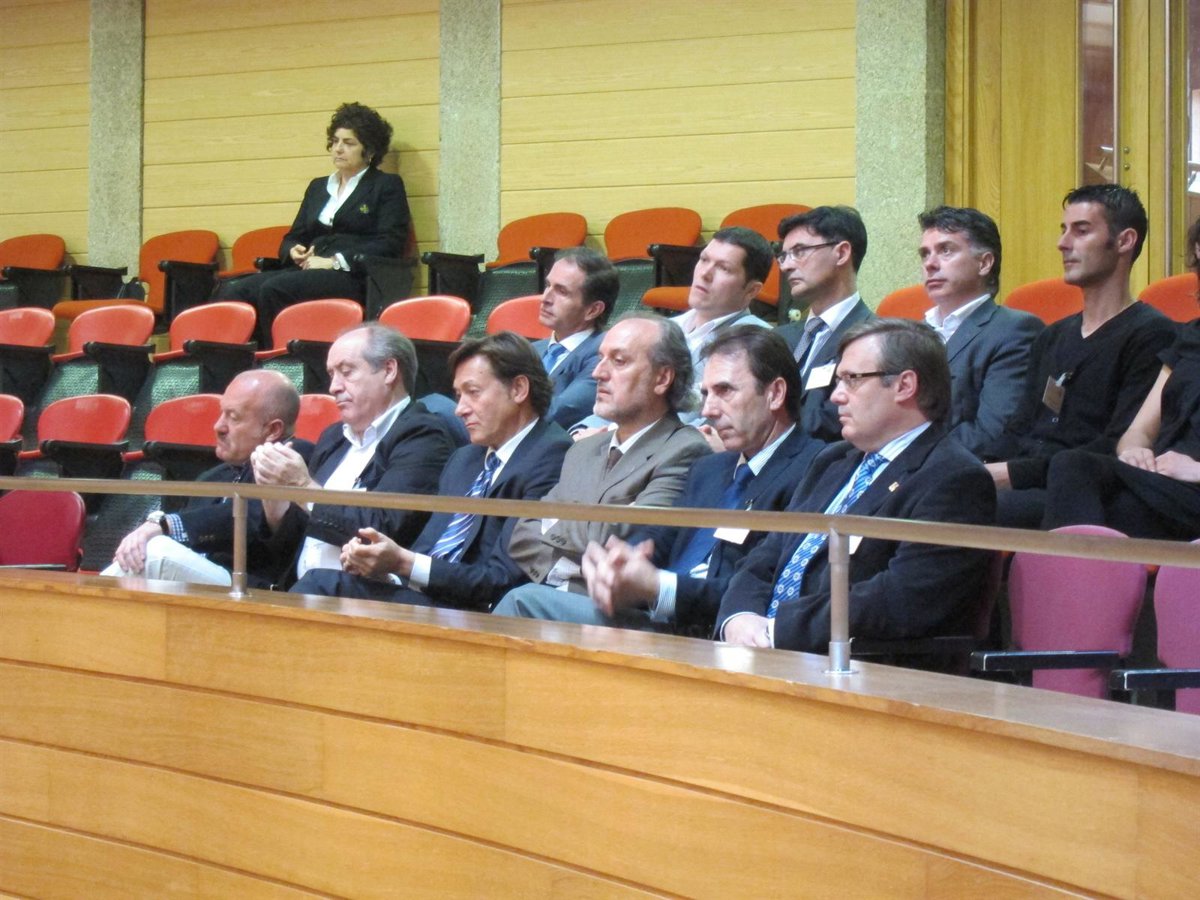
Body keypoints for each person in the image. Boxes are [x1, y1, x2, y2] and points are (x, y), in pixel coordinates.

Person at [509, 326, 821, 633]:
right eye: (705, 394)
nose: (709, 410)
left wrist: (660, 587)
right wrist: (618, 563)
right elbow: (655, 539)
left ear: (775, 394)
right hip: (658, 619)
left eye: (725, 391)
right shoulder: (710, 469)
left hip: (720, 631)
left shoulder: (813, 469)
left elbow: (761, 586)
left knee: (523, 603)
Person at [716, 318, 996, 652]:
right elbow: (767, 555)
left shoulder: (953, 478)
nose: (836, 396)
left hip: (856, 666)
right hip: (763, 650)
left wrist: (775, 631)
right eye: (838, 381)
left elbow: (899, 599)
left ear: (905, 385)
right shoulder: (832, 460)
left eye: (852, 380)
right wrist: (739, 617)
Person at [290, 332, 572, 608]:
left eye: (473, 393)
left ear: (518, 389)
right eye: (458, 395)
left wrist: (402, 562)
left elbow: (503, 579)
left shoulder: (552, 456)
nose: (460, 409)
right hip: (430, 599)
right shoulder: (465, 459)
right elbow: (427, 551)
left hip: (484, 614)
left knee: (322, 587)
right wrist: (383, 572)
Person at [984, 184, 1177, 527]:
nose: (1063, 243)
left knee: (962, 510)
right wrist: (981, 467)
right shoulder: (1052, 335)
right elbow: (1019, 426)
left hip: (1078, 492)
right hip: (1021, 478)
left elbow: (1117, 445)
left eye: (1081, 230)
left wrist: (1009, 474)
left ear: (1124, 241)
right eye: (1064, 229)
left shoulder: (1153, 334)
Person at [493, 313, 712, 611]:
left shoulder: (686, 449)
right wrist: (577, 566)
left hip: (623, 614)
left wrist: (557, 523)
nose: (598, 373)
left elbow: (621, 542)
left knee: (520, 601)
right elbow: (523, 535)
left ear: (662, 378)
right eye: (600, 359)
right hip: (560, 595)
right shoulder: (582, 450)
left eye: (619, 361)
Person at [252, 323, 457, 588]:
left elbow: (380, 530)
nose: (333, 387)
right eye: (331, 374)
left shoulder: (423, 436)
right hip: (300, 590)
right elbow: (293, 543)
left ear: (389, 370)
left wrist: (302, 487)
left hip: (371, 596)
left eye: (346, 372)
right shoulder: (333, 438)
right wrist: (274, 496)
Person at [1043, 216, 1200, 539]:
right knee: (1073, 464)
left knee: (1118, 511)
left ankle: (1068, 573)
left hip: (1191, 484)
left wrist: (1196, 470)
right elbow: (1140, 430)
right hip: (1163, 480)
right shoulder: (1191, 337)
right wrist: (1134, 451)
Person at [221, 102, 412, 344]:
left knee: (274, 288)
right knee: (233, 289)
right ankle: (239, 357)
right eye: (335, 141)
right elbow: (293, 236)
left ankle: (278, 356)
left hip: (354, 274)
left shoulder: (385, 185)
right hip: (308, 269)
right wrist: (293, 250)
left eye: (349, 143)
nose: (338, 149)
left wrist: (334, 261)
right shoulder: (318, 187)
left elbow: (391, 242)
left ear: (370, 150)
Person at [102, 370, 303, 587]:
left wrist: (164, 524)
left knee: (157, 553)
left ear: (273, 430)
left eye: (233, 417)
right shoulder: (215, 475)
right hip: (206, 585)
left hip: (256, 589)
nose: (218, 426)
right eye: (221, 413)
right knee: (142, 553)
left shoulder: (294, 460)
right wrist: (146, 534)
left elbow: (251, 517)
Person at [917, 206, 1044, 456]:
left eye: (946, 250)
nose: (930, 264)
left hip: (958, 469)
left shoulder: (1014, 330)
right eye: (925, 254)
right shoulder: (912, 334)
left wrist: (904, 450)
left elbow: (991, 434)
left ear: (984, 263)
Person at [774, 206, 874, 443]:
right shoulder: (778, 338)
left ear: (841, 253)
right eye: (784, 256)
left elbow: (837, 421)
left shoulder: (873, 340)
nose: (786, 266)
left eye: (799, 251)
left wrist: (757, 428)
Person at [672, 226, 773, 388]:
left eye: (724, 268)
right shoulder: (667, 326)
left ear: (751, 290)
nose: (705, 274)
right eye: (704, 259)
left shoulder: (757, 343)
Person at [533, 248, 618, 429]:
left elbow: (557, 413)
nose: (545, 298)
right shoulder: (532, 349)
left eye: (561, 291)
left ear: (593, 310)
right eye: (548, 285)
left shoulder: (603, 355)